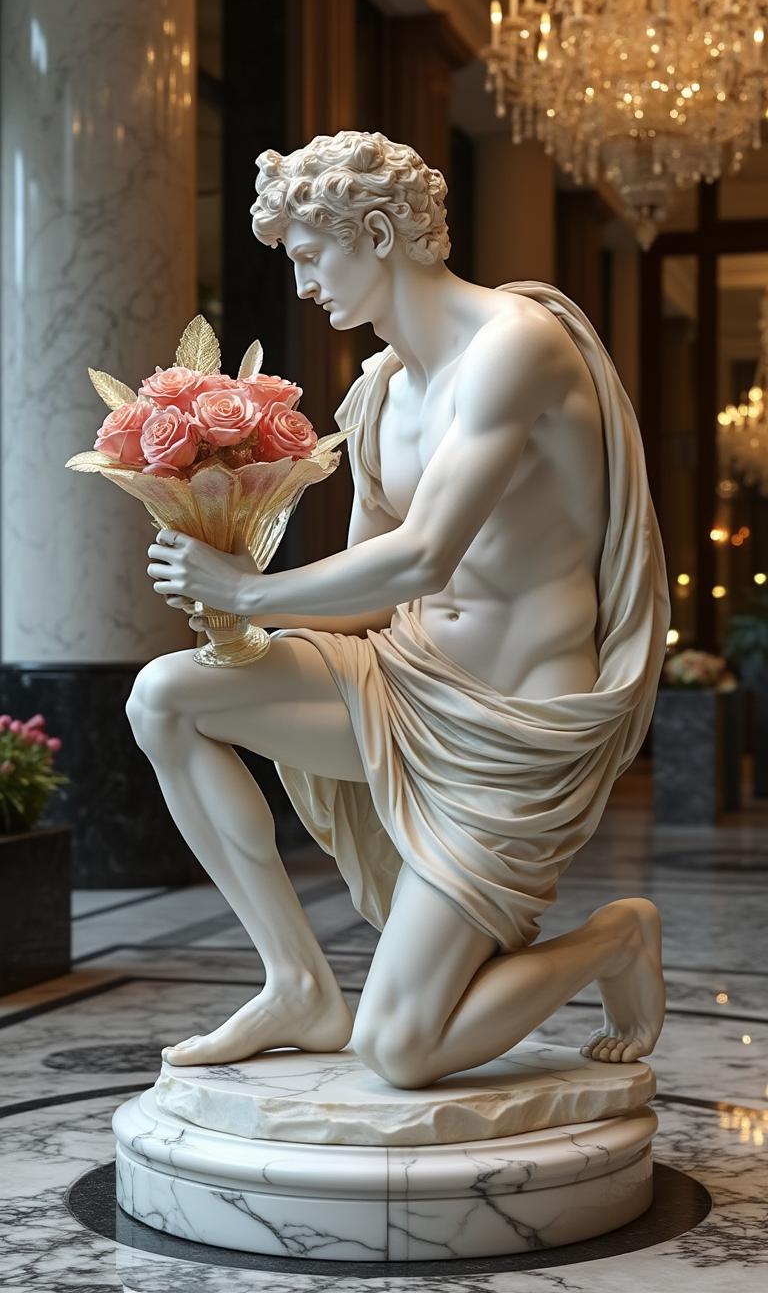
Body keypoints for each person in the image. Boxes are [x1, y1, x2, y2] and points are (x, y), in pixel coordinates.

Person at [129, 131, 670, 1090]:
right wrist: (238, 622)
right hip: (405, 675)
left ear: (377, 231)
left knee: (400, 1051)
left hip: (512, 724)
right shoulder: (381, 390)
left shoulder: (518, 346)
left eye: (308, 254)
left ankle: (613, 942)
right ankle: (297, 982)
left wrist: (252, 592)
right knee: (166, 697)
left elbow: (423, 556)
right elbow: (365, 579)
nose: (301, 286)